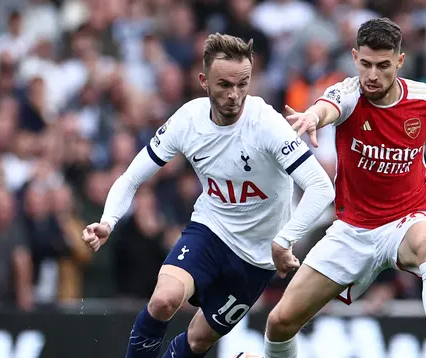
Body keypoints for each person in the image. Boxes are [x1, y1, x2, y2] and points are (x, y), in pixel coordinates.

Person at [81, 33, 335, 358]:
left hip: (256, 259)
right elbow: (131, 177)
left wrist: (284, 239)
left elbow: (321, 187)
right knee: (163, 300)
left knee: (198, 341)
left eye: (243, 84)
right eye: (224, 85)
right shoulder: (188, 121)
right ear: (203, 80)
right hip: (210, 231)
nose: (235, 95)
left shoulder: (267, 125)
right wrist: (108, 221)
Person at [263, 18, 426, 358]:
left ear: (399, 62)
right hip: (351, 230)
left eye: (383, 66)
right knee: (280, 322)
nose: (373, 75)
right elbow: (326, 108)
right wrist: (313, 118)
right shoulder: (347, 93)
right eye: (367, 64)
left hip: (406, 218)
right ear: (355, 57)